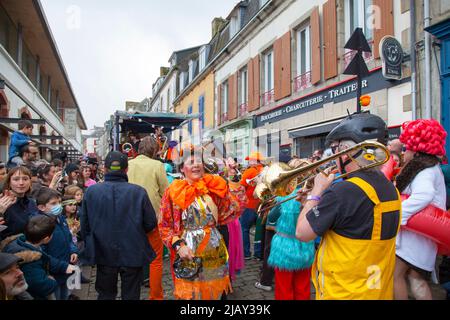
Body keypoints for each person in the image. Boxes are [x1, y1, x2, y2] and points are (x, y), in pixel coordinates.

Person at [296, 112, 401, 300]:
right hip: (378, 291)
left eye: (336, 148)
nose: (335, 155)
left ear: (348, 150)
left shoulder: (342, 191)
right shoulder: (389, 187)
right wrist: (311, 203)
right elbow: (354, 221)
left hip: (344, 292)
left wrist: (316, 193)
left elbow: (302, 233)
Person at [159, 146, 241, 300]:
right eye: (191, 162)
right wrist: (179, 245)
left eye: (199, 161)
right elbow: (164, 226)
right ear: (182, 169)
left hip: (214, 249)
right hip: (188, 252)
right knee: (192, 295)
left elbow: (234, 208)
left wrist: (232, 177)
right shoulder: (174, 191)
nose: (196, 165)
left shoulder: (213, 187)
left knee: (217, 293)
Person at [80, 151, 157, 300]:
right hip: (132, 249)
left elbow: (85, 225)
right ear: (126, 169)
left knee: (106, 294)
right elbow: (150, 223)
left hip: (103, 251)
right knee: (131, 294)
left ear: (104, 169)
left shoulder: (91, 191)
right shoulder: (138, 192)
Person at [394, 119, 447, 300]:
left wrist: (398, 214)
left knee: (395, 276)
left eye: (406, 148)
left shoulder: (424, 171)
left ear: (416, 150)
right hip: (420, 238)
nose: (404, 153)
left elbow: (424, 195)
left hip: (416, 238)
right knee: (415, 279)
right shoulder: (429, 168)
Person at [267, 160, 315, 300]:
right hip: (305, 247)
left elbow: (271, 218)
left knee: (283, 288)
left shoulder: (282, 196)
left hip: (284, 248)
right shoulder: (315, 195)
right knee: (303, 287)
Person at [127, 136, 169, 300]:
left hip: (130, 217)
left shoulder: (129, 164)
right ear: (154, 150)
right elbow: (166, 192)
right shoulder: (157, 165)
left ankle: (130, 292)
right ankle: (156, 296)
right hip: (152, 217)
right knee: (155, 259)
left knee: (132, 256)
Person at [1, 215, 76, 300]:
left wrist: (63, 266)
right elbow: (41, 285)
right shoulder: (30, 262)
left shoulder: (21, 242)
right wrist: (55, 281)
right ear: (47, 239)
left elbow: (46, 258)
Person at [35, 187, 78, 300]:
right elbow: (41, 253)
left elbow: (68, 238)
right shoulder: (41, 226)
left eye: (59, 202)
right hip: (53, 272)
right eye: (53, 203)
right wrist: (61, 266)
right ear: (41, 207)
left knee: (65, 295)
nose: (59, 206)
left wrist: (73, 250)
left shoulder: (60, 218)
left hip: (65, 268)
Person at [240, 151, 265, 260]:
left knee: (244, 229)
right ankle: (258, 253)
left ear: (255, 161)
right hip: (262, 205)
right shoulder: (265, 170)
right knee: (259, 230)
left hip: (249, 205)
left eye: (250, 160)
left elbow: (242, 187)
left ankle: (246, 253)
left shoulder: (249, 171)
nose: (249, 162)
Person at [0, 167, 38, 240]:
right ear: (9, 182)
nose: (21, 183)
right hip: (9, 249)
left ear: (30, 182)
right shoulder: (2, 204)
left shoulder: (32, 202)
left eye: (25, 179)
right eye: (16, 179)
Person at [225, 158, 246, 281]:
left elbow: (242, 205)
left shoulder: (233, 186)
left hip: (230, 222)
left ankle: (227, 278)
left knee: (231, 250)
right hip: (232, 222)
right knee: (230, 250)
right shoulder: (236, 186)